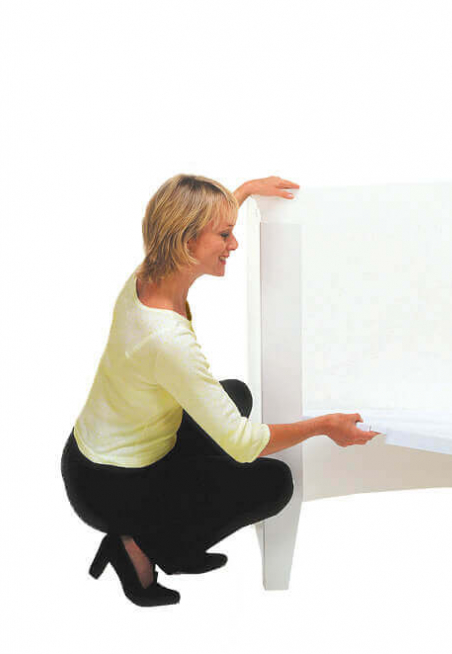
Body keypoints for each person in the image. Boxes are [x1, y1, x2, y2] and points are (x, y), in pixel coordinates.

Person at [61, 172, 378, 607]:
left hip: (97, 452)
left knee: (236, 395)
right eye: (225, 235)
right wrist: (323, 425)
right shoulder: (166, 339)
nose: (234, 244)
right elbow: (244, 445)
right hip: (112, 485)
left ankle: (171, 531)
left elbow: (189, 222)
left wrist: (243, 192)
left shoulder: (149, 272)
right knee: (274, 483)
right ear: (186, 241)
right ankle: (144, 546)